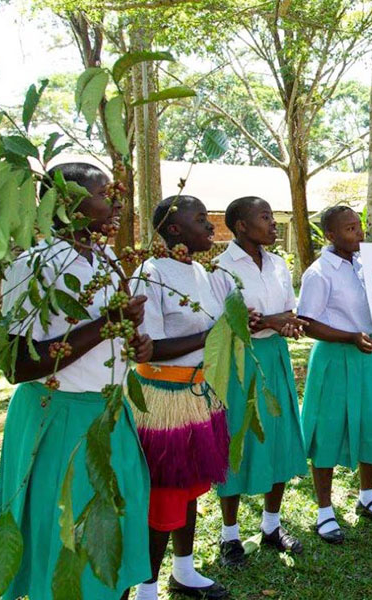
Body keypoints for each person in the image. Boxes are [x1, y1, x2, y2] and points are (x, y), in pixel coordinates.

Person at [0, 163, 153, 600]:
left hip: (110, 415)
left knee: (115, 524)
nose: (117, 204)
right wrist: (106, 323)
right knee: (65, 536)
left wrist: (139, 345)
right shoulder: (31, 267)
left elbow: (122, 335)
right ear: (66, 203)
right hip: (57, 419)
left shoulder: (108, 261)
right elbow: (18, 366)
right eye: (105, 194)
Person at [131, 195, 229, 600]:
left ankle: (184, 571)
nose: (210, 226)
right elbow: (148, 346)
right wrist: (211, 336)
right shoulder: (150, 273)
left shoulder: (203, 274)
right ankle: (147, 586)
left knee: (190, 485)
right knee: (165, 492)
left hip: (198, 392)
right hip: (163, 396)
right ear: (174, 230)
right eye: (202, 219)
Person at [211, 197, 310, 564]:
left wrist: (274, 321)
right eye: (264, 217)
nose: (272, 224)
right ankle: (230, 535)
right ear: (240, 225)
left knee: (279, 436)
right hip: (240, 362)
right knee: (237, 437)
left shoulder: (279, 265)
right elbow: (226, 324)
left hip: (274, 357)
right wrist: (268, 321)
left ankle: (271, 525)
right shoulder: (221, 269)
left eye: (272, 217)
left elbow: (287, 313)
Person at [298, 205, 372, 544]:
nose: (358, 233)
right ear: (330, 235)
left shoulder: (363, 264)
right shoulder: (319, 272)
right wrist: (349, 336)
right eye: (349, 229)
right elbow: (307, 323)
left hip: (366, 356)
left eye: (359, 227)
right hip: (335, 357)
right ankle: (324, 511)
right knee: (327, 430)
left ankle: (367, 495)